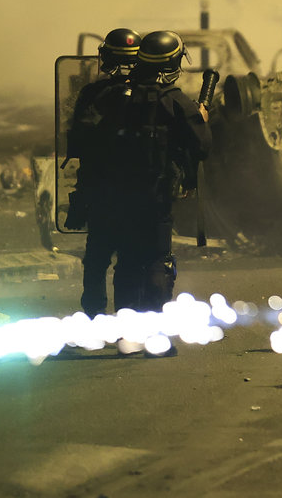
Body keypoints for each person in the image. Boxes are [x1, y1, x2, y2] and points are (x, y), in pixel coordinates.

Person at [82, 30, 211, 336]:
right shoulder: (175, 102)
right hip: (155, 198)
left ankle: (128, 333)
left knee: (126, 261)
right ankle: (156, 332)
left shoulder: (110, 97)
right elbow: (202, 147)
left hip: (115, 196)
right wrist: (200, 120)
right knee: (156, 260)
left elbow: (87, 140)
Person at [65, 27, 142, 317]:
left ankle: (95, 317)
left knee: (96, 258)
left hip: (101, 190)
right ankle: (129, 319)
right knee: (133, 260)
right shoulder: (155, 95)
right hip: (141, 191)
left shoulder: (92, 94)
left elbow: (77, 142)